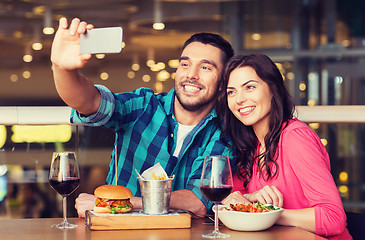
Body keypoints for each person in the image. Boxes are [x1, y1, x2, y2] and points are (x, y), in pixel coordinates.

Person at [50, 17, 234, 218]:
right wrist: (62, 69)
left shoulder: (224, 132)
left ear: (224, 81)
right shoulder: (143, 106)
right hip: (117, 231)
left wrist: (114, 203)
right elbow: (90, 103)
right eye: (185, 64)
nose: (192, 74)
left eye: (206, 67)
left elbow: (197, 201)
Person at [217, 54, 351, 239]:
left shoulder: (295, 137)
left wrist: (269, 214)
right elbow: (236, 199)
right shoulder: (250, 145)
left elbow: (333, 218)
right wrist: (247, 199)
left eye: (249, 87)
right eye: (231, 92)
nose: (239, 99)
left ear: (273, 90)